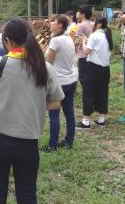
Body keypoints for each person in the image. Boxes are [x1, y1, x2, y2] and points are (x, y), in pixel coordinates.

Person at [0, 17, 64, 204]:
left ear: (8, 41)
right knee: (27, 194)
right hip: (28, 141)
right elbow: (55, 103)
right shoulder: (44, 67)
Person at [43, 15, 77, 151]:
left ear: (61, 25)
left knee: (54, 114)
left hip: (58, 82)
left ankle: (52, 145)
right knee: (69, 113)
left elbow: (47, 62)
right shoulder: (68, 38)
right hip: (71, 80)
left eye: (54, 22)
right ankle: (69, 142)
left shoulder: (55, 41)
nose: (51, 23)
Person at [76, 17, 113, 129]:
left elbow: (86, 52)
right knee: (103, 92)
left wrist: (83, 40)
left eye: (95, 22)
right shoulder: (107, 36)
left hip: (93, 68)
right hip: (105, 69)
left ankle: (86, 121)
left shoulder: (94, 35)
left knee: (88, 93)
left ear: (99, 24)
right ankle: (101, 119)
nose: (93, 24)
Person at [74, 5, 94, 88]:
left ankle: (87, 94)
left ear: (83, 14)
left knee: (83, 77)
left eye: (79, 12)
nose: (77, 13)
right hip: (92, 53)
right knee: (91, 77)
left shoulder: (80, 25)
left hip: (82, 54)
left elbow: (77, 41)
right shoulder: (93, 23)